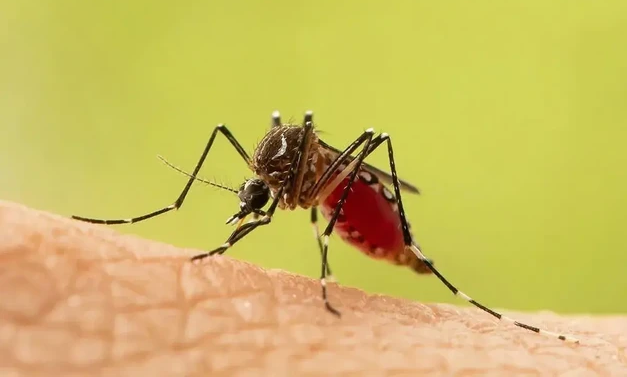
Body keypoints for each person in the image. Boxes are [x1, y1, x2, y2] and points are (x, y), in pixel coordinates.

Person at [1, 201, 624, 376]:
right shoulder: (268, 181)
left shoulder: (310, 181)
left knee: (356, 141)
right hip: (331, 191)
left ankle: (426, 263)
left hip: (354, 199)